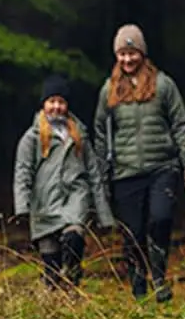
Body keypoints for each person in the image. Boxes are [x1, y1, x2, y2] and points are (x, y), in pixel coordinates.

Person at [93, 24, 185, 303]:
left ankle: (159, 277)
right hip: (125, 172)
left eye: (132, 53)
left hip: (162, 167)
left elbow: (181, 125)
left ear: (142, 53)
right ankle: (139, 288)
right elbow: (100, 134)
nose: (127, 59)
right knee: (132, 233)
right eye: (122, 54)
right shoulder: (109, 90)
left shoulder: (163, 85)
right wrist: (102, 176)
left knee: (161, 219)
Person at [13, 74, 113, 290]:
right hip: (44, 205)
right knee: (52, 268)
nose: (56, 107)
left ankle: (72, 277)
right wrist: (22, 206)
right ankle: (57, 297)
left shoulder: (80, 136)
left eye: (61, 102)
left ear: (67, 106)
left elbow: (94, 174)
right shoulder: (32, 138)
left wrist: (104, 214)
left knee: (73, 239)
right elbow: (23, 172)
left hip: (74, 199)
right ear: (44, 104)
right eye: (52, 101)